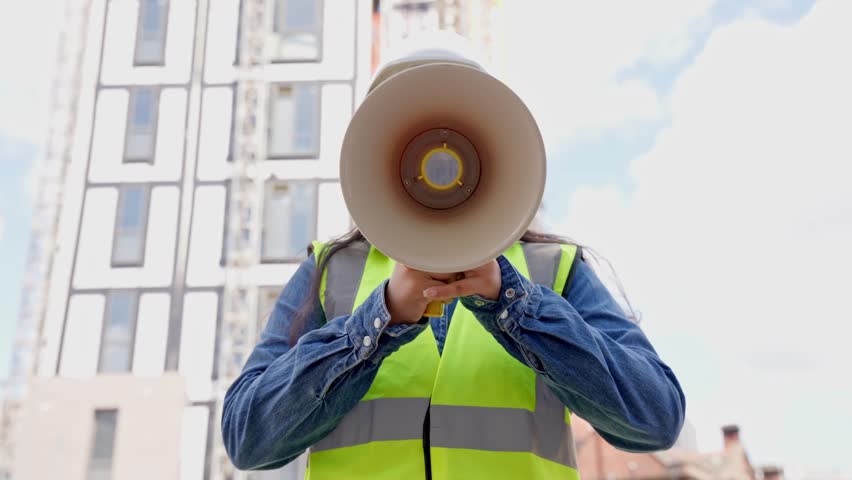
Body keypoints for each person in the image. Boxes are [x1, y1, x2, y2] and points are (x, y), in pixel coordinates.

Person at [222, 39, 685, 480]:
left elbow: (656, 417)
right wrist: (375, 323)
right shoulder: (331, 271)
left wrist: (514, 304)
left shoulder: (553, 268)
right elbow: (247, 437)